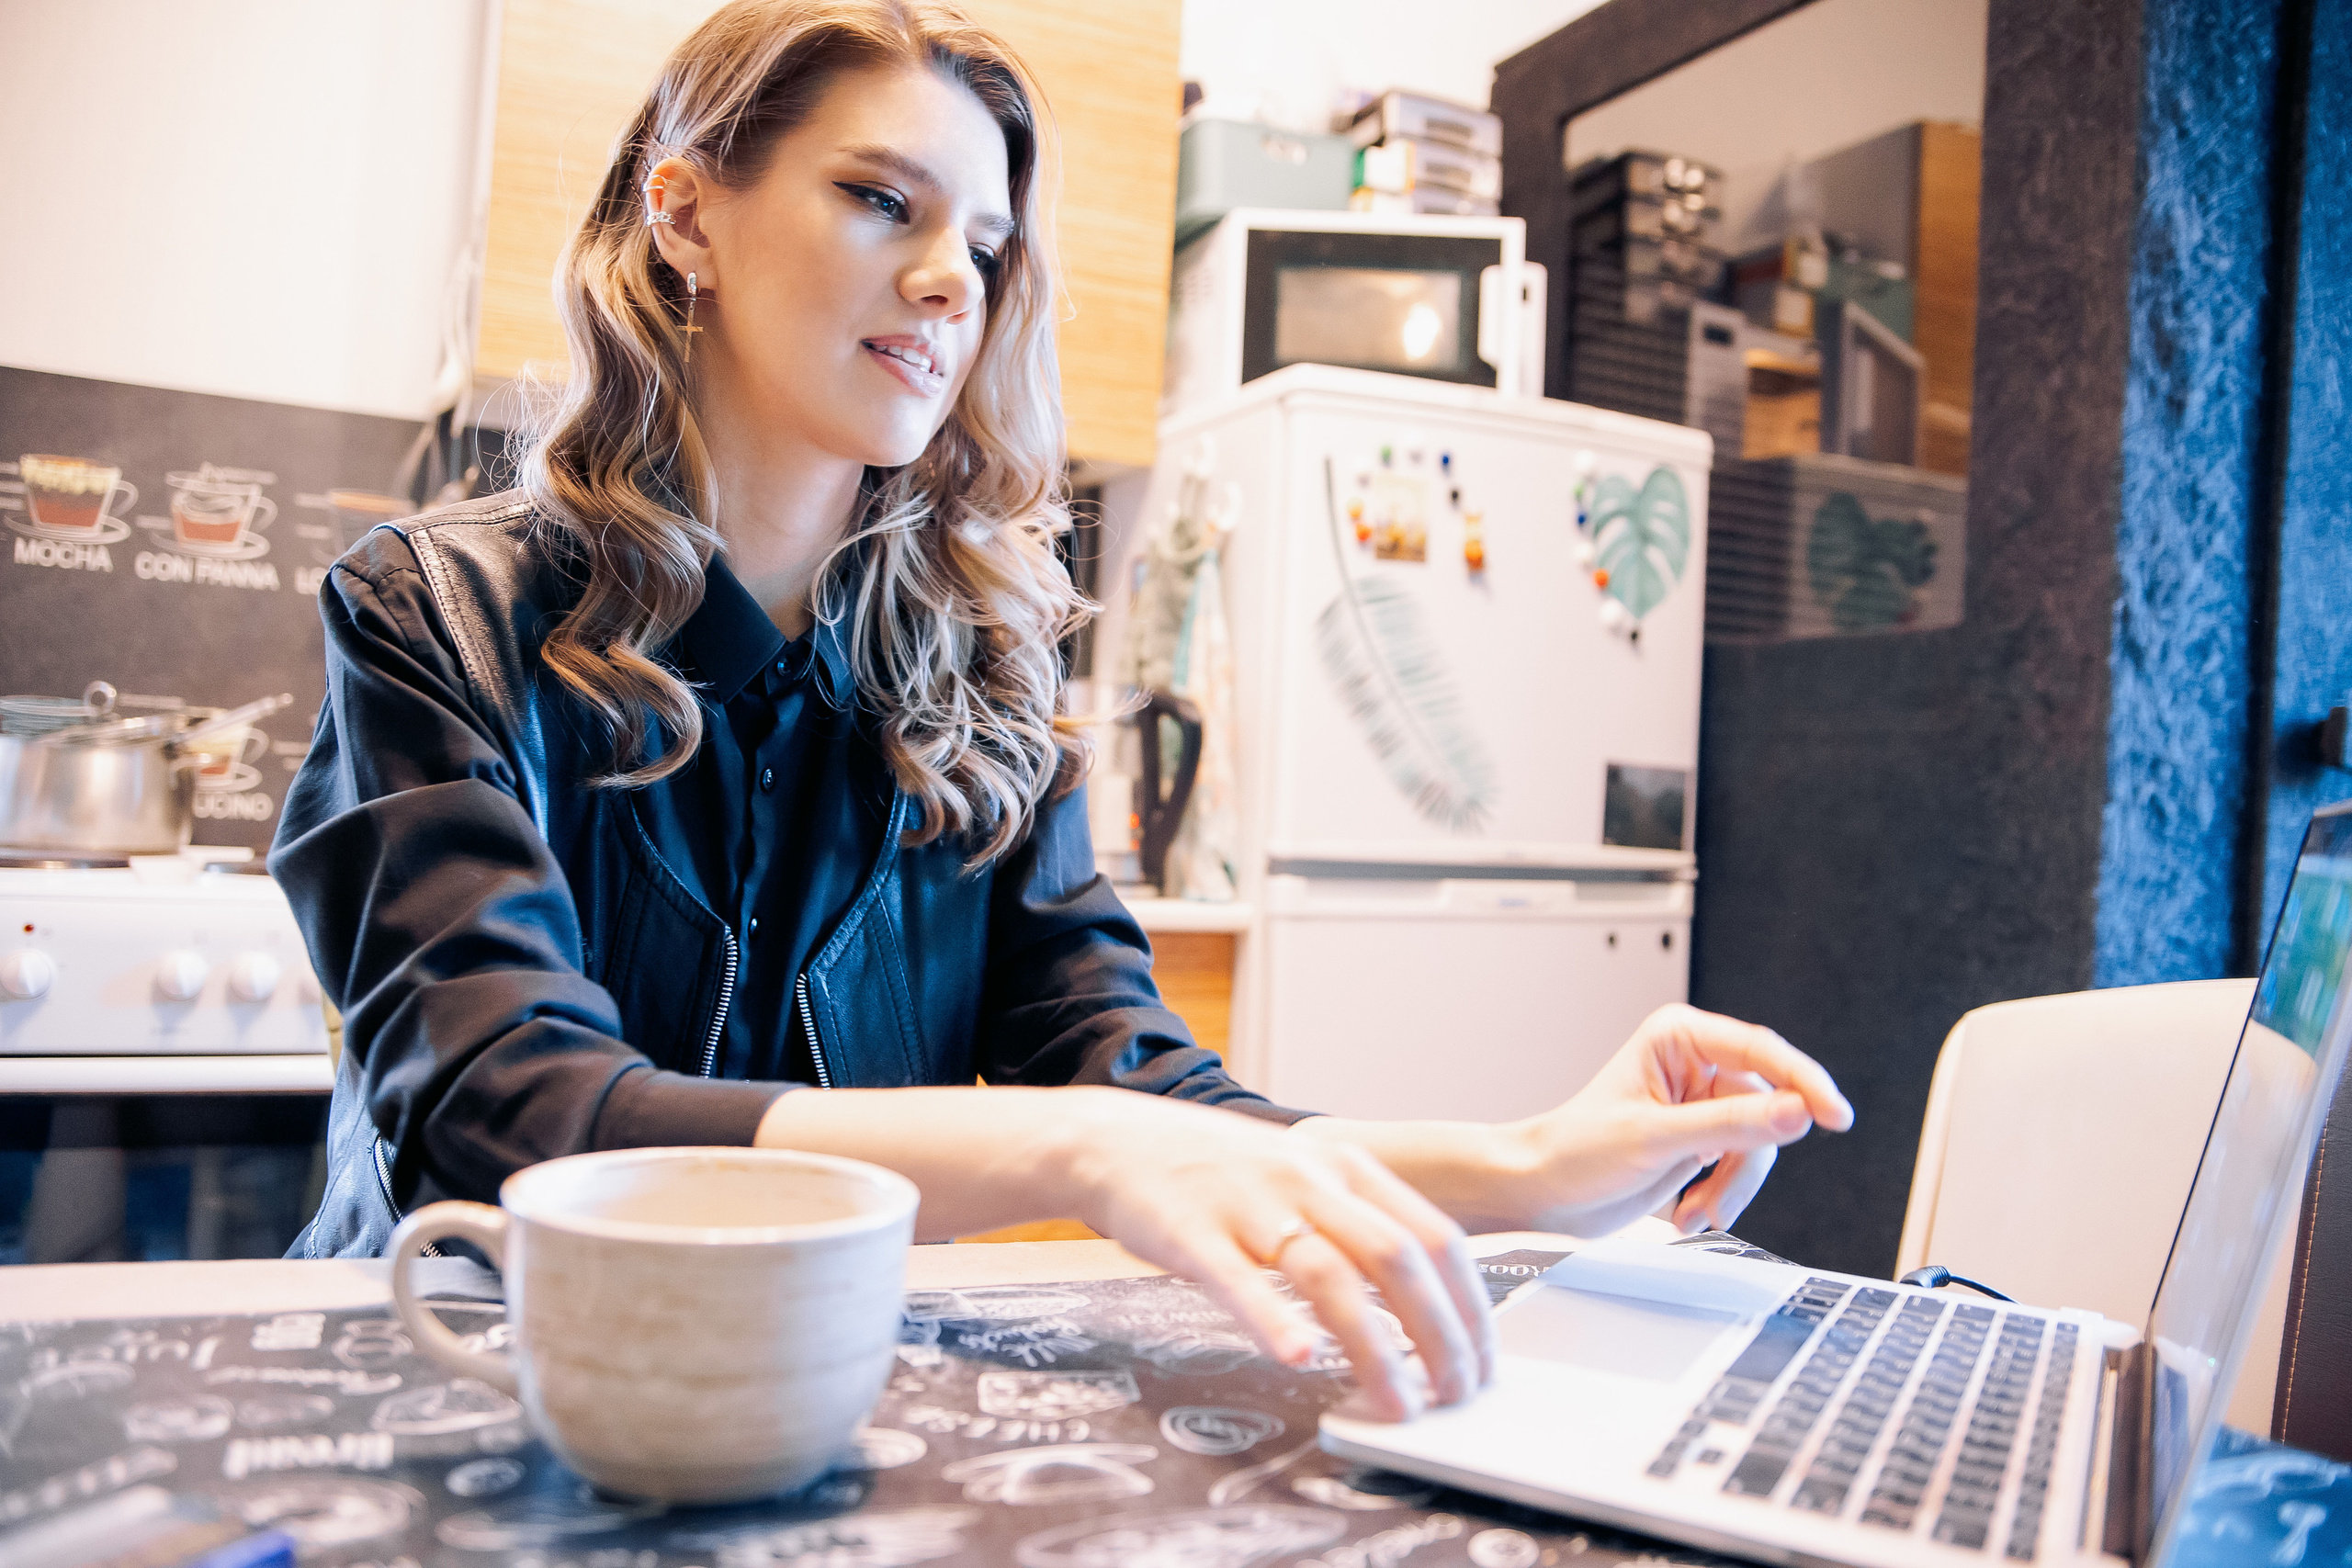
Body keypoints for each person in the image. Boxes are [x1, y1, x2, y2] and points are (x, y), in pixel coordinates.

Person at [272, 0, 1852, 1423]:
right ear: (687, 212)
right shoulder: (432, 614)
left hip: (805, 1403)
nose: (948, 275)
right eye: (880, 198)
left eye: (986, 243)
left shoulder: (984, 692)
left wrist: (1531, 1167)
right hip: (459, 1385)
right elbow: (514, 1111)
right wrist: (1068, 1153)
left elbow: (1149, 1095)